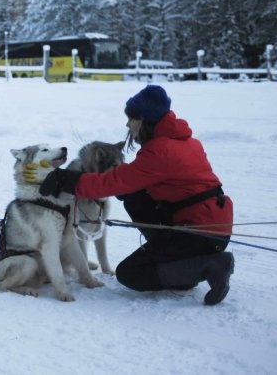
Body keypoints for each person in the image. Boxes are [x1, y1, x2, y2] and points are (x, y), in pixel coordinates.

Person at [38, 85, 235, 305]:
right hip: (211, 226)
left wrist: (67, 180)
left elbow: (113, 181)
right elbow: (129, 179)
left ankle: (210, 265)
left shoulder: (161, 150)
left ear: (143, 119)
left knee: (131, 273)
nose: (127, 124)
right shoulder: (184, 141)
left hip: (198, 231)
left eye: (130, 118)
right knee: (132, 193)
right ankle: (182, 267)